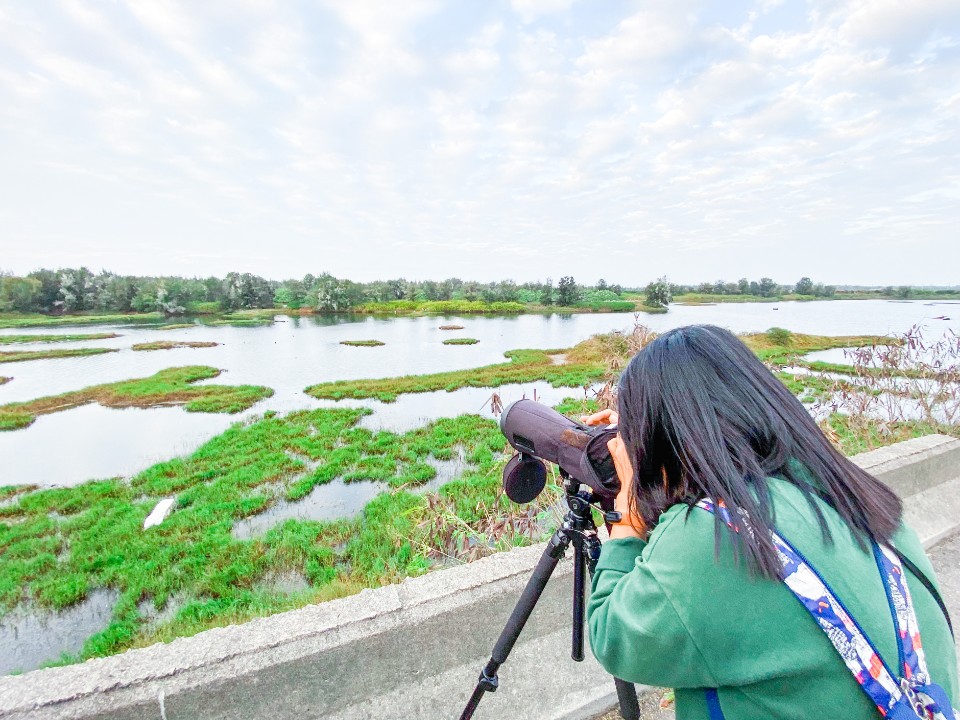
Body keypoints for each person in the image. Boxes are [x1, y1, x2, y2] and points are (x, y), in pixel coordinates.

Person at [582, 324, 958, 720]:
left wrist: (626, 517)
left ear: (666, 434)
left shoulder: (710, 535)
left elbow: (615, 638)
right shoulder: (858, 498)